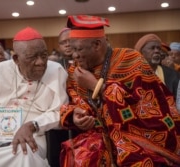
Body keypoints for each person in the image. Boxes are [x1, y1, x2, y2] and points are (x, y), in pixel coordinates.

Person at [59, 15, 180, 167]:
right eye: (72, 49)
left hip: (138, 139)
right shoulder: (74, 71)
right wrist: (76, 116)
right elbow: (73, 103)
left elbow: (150, 109)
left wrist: (97, 86)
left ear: (97, 44)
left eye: (78, 49)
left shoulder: (131, 60)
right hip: (97, 141)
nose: (74, 55)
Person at [0, 27, 68, 167]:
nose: (40, 62)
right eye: (32, 57)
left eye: (44, 56)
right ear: (16, 59)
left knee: (25, 156)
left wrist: (34, 125)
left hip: (29, 139)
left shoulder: (56, 71)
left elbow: (61, 112)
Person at [134, 34, 180, 99]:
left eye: (158, 48)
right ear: (141, 52)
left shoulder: (173, 75)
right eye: (152, 48)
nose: (157, 51)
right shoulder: (132, 75)